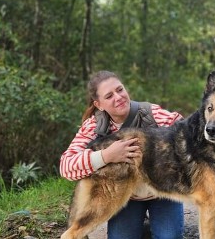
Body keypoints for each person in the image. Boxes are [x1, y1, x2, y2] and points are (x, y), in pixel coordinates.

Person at [60, 70, 184, 239]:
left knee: (169, 236)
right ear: (99, 104)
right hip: (126, 197)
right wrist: (106, 156)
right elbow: (66, 167)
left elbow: (186, 132)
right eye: (109, 96)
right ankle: (142, 227)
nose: (118, 97)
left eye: (120, 90)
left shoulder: (151, 113)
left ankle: (150, 226)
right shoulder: (93, 126)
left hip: (163, 193)